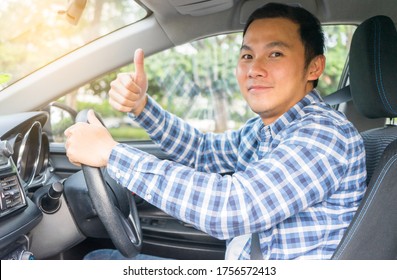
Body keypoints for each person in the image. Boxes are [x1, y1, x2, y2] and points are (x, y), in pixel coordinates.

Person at [64, 3, 367, 260]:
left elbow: (232, 208)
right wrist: (142, 107)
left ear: (314, 68)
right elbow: (203, 151)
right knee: (98, 259)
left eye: (275, 54)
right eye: (247, 55)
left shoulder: (325, 134)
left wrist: (111, 154)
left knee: (97, 261)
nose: (254, 69)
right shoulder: (267, 130)